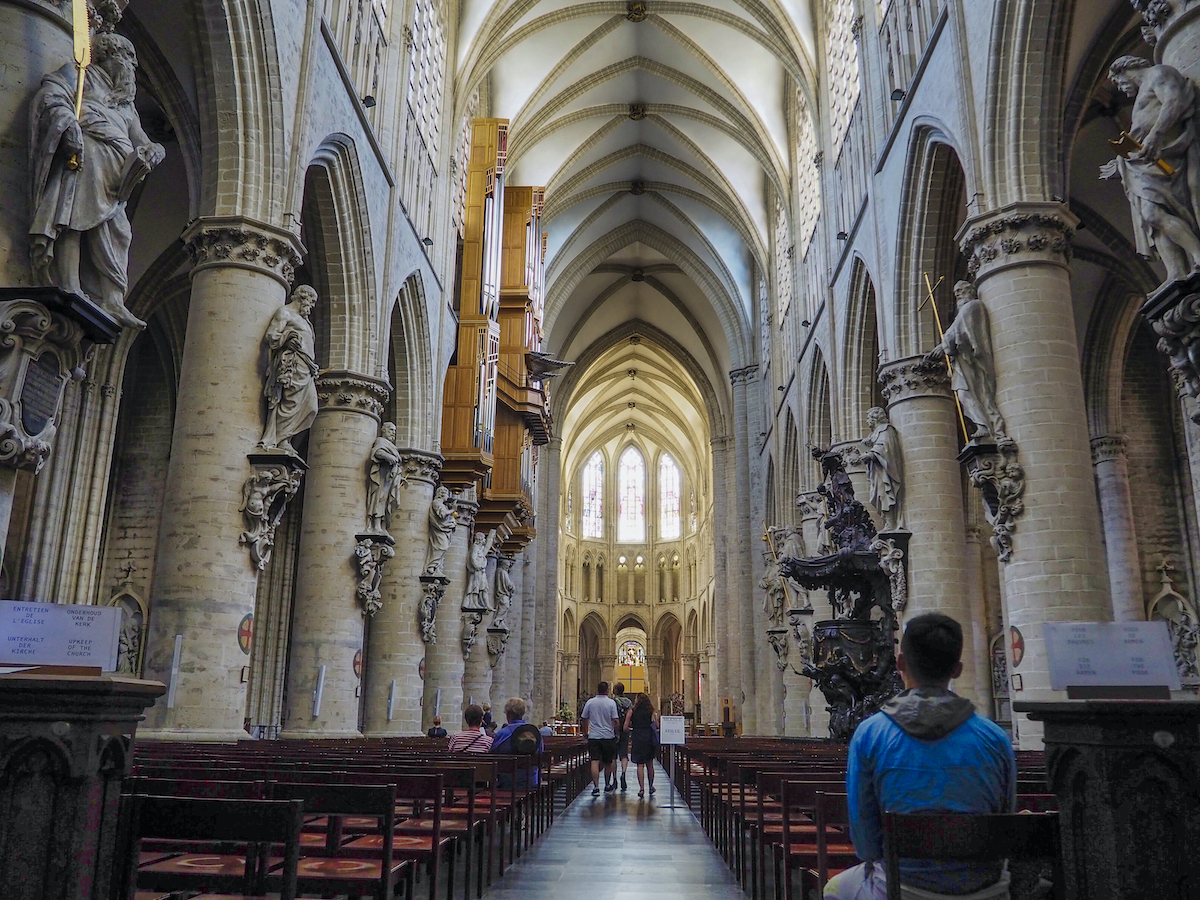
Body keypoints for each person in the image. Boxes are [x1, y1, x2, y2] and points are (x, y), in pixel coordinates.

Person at [824, 613, 1016, 900]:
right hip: (984, 890)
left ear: (900, 663)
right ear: (958, 669)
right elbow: (1005, 823)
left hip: (903, 889)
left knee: (833, 890)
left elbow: (866, 846)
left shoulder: (870, 734)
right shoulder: (995, 738)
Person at [29, 32, 165, 329]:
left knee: (121, 233)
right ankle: (68, 284)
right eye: (127, 59)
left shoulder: (126, 106)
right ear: (107, 55)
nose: (131, 67)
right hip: (85, 159)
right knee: (73, 222)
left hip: (116, 176)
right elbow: (51, 95)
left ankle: (113, 300)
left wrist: (156, 150)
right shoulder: (81, 77)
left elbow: (141, 139)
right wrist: (68, 124)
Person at [1100, 56, 1200, 284]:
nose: (1123, 90)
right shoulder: (1142, 92)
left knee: (1153, 214)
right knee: (1151, 219)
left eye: (1119, 82)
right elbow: (1141, 131)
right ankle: (1176, 272)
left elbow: (1173, 101)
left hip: (1166, 154)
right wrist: (1120, 162)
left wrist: (1156, 134)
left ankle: (1197, 255)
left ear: (1126, 69)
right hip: (1145, 162)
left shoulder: (1158, 73)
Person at [924, 281, 1007, 443]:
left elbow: (959, 332)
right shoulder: (963, 311)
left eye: (960, 290)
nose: (957, 294)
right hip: (962, 362)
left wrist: (943, 347)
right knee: (964, 394)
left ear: (970, 291)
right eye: (956, 292)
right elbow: (956, 330)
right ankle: (983, 425)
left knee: (972, 393)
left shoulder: (972, 307)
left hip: (973, 361)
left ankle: (986, 426)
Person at [258, 285, 320, 454]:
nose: (312, 305)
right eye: (312, 301)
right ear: (302, 297)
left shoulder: (305, 321)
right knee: (289, 402)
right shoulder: (285, 313)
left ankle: (285, 438)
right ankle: (280, 439)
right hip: (292, 365)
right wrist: (286, 338)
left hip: (306, 368)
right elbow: (271, 335)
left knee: (311, 407)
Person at [859, 407, 904, 531]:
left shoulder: (886, 429)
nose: (867, 421)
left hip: (885, 471)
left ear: (875, 418)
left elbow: (885, 447)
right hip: (878, 470)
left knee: (885, 495)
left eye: (868, 418)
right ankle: (887, 522)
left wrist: (870, 454)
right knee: (879, 495)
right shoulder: (875, 433)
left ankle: (891, 523)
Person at [489, 697, 543, 788]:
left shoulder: (502, 734)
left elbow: (492, 755)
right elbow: (540, 753)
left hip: (506, 782)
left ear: (508, 714)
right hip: (531, 781)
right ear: (522, 713)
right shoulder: (534, 733)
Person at [578, 681, 621, 796]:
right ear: (607, 690)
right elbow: (616, 720)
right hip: (608, 736)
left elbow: (584, 718)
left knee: (594, 761)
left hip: (594, 736)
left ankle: (596, 787)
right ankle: (607, 784)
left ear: (597, 690)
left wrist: (585, 732)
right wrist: (617, 732)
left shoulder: (590, 702)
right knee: (608, 762)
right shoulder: (611, 703)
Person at [366, 421, 404, 533]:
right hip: (381, 478)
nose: (394, 433)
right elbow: (377, 452)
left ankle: (382, 525)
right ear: (383, 430)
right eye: (391, 430)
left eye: (395, 431)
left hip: (389, 479)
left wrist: (399, 477)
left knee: (385, 502)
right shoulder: (381, 441)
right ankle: (375, 524)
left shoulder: (392, 446)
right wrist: (389, 457)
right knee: (379, 499)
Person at [623, 692, 660, 798]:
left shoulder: (632, 711)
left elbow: (625, 727)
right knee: (650, 764)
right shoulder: (651, 711)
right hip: (648, 737)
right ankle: (651, 786)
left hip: (637, 737)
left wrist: (632, 729)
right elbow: (657, 725)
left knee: (640, 764)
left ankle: (642, 789)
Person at [612, 682, 633, 791]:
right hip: (624, 729)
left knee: (613, 756)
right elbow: (630, 713)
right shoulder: (628, 702)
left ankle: (614, 778)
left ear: (615, 690)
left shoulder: (612, 701)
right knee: (624, 754)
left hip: (614, 730)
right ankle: (623, 772)